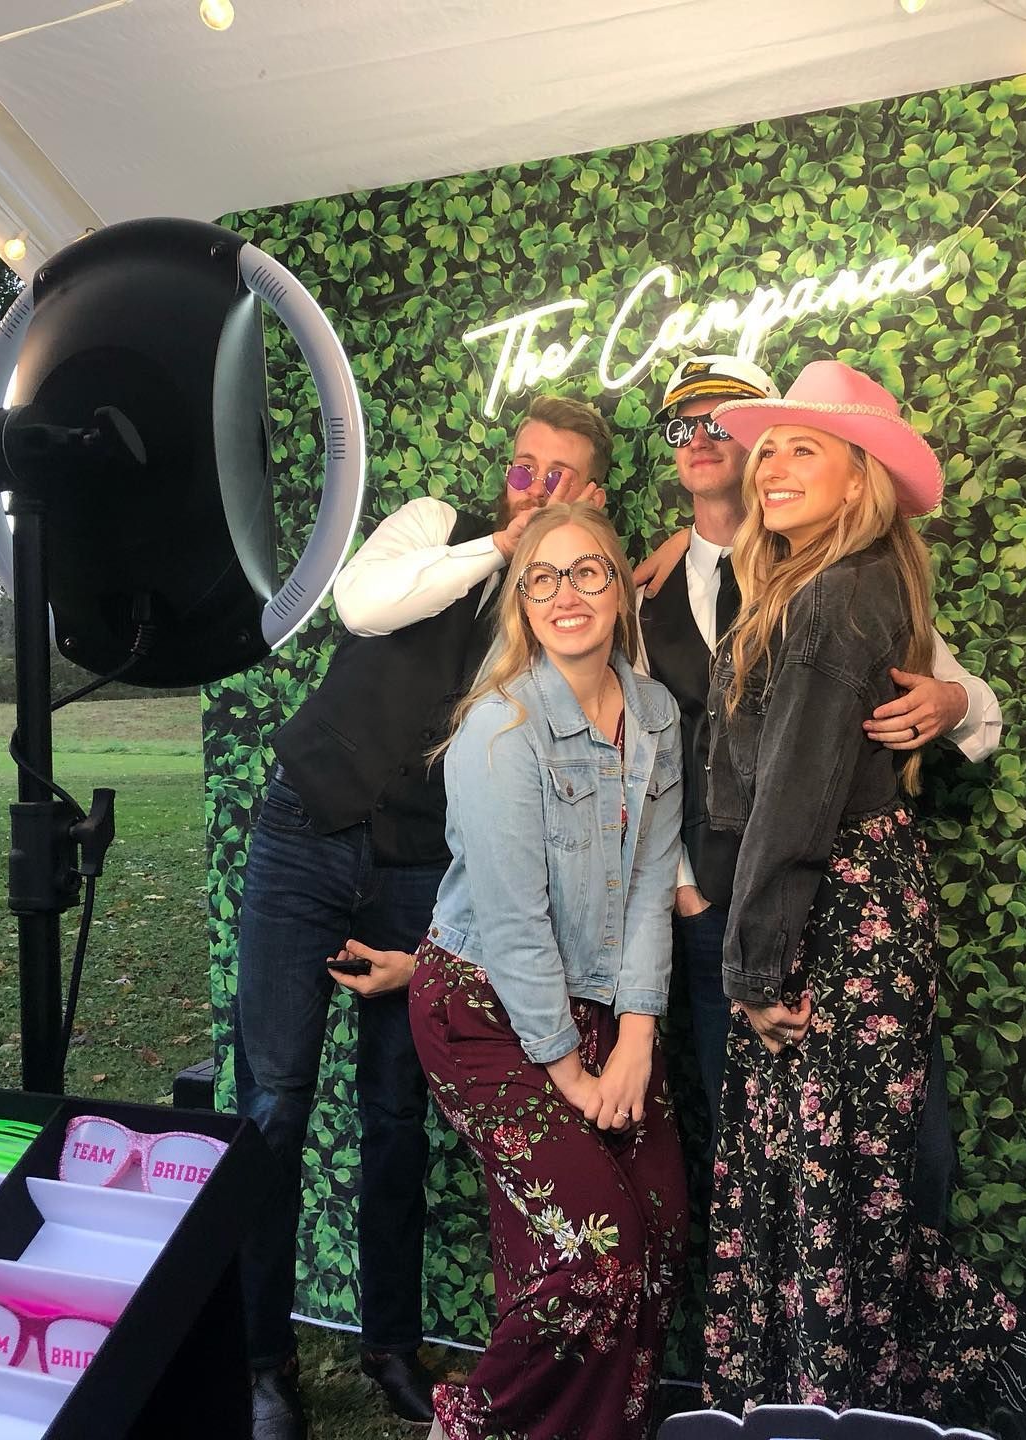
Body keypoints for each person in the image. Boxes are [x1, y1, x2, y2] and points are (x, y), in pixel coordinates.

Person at [698, 361, 1026, 1437]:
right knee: (827, 1189)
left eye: (802, 447)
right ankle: (962, 1364)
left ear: (860, 477)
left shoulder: (838, 598)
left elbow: (791, 806)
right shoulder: (821, 585)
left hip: (831, 919)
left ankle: (923, 1375)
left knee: (833, 1195)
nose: (771, 463)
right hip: (835, 909)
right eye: (766, 446)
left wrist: (756, 969)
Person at [233, 395, 613, 1438]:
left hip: (415, 866)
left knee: (398, 1116)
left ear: (590, 490)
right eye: (526, 466)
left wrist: (564, 566)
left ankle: (389, 1347)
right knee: (272, 1102)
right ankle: (263, 1362)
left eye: (560, 475)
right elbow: (363, 605)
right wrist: (502, 542)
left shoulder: (558, 600)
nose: (535, 486)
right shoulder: (435, 524)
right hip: (305, 831)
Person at [637, 354, 1002, 1224]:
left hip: (837, 906)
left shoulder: (840, 582)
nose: (708, 440)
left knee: (893, 1155)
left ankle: (872, 1337)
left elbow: (972, 710)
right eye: (683, 425)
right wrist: (685, 888)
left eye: (728, 421)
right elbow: (644, 758)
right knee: (759, 1150)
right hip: (718, 904)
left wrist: (954, 699)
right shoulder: (641, 590)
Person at [408, 501, 688, 1440]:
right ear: (521, 604)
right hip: (484, 1009)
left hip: (603, 1007)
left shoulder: (654, 716)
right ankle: (473, 1426)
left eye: (588, 572)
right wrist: (572, 1071)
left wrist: (637, 1044)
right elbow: (516, 923)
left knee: (659, 1228)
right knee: (592, 1255)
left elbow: (652, 886)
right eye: (544, 579)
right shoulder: (501, 728)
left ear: (620, 585)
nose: (568, 595)